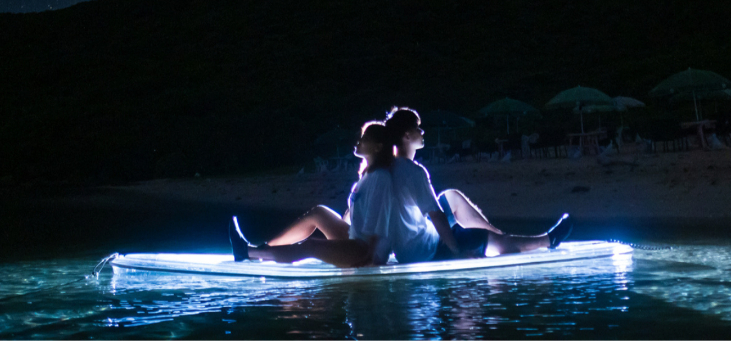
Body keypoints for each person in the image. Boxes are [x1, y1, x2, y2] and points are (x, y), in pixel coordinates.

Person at [382, 106, 572, 262]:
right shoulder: (413, 172)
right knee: (491, 242)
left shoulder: (386, 169)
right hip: (424, 249)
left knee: (451, 196)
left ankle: (497, 233)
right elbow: (437, 216)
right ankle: (546, 240)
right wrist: (455, 251)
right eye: (417, 128)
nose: (422, 132)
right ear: (406, 135)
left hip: (406, 250)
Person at [229, 121, 394, 267]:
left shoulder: (381, 178)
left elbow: (379, 223)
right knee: (319, 213)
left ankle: (247, 253)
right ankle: (265, 251)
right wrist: (339, 234)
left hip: (366, 250)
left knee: (310, 246)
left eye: (365, 139)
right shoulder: (366, 175)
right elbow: (354, 213)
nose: (359, 141)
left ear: (378, 147)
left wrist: (371, 257)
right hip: (355, 239)